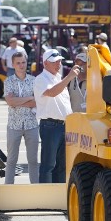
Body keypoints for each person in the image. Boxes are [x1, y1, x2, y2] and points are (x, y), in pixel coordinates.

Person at [34, 49, 80, 183]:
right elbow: (52, 92)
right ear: (45, 63)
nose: (58, 64)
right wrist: (69, 77)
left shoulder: (58, 78)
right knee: (48, 165)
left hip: (63, 125)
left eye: (59, 61)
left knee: (61, 165)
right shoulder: (41, 79)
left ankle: (58, 195)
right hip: (50, 126)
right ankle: (45, 197)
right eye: (54, 62)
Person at [4, 52, 39, 184]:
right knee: (11, 160)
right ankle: (8, 188)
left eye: (23, 62)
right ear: (13, 64)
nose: (21, 65)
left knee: (33, 160)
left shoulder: (34, 80)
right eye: (18, 63)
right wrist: (29, 98)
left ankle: (35, 188)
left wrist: (19, 100)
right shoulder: (9, 81)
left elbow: (36, 102)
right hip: (14, 125)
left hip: (31, 125)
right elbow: (10, 102)